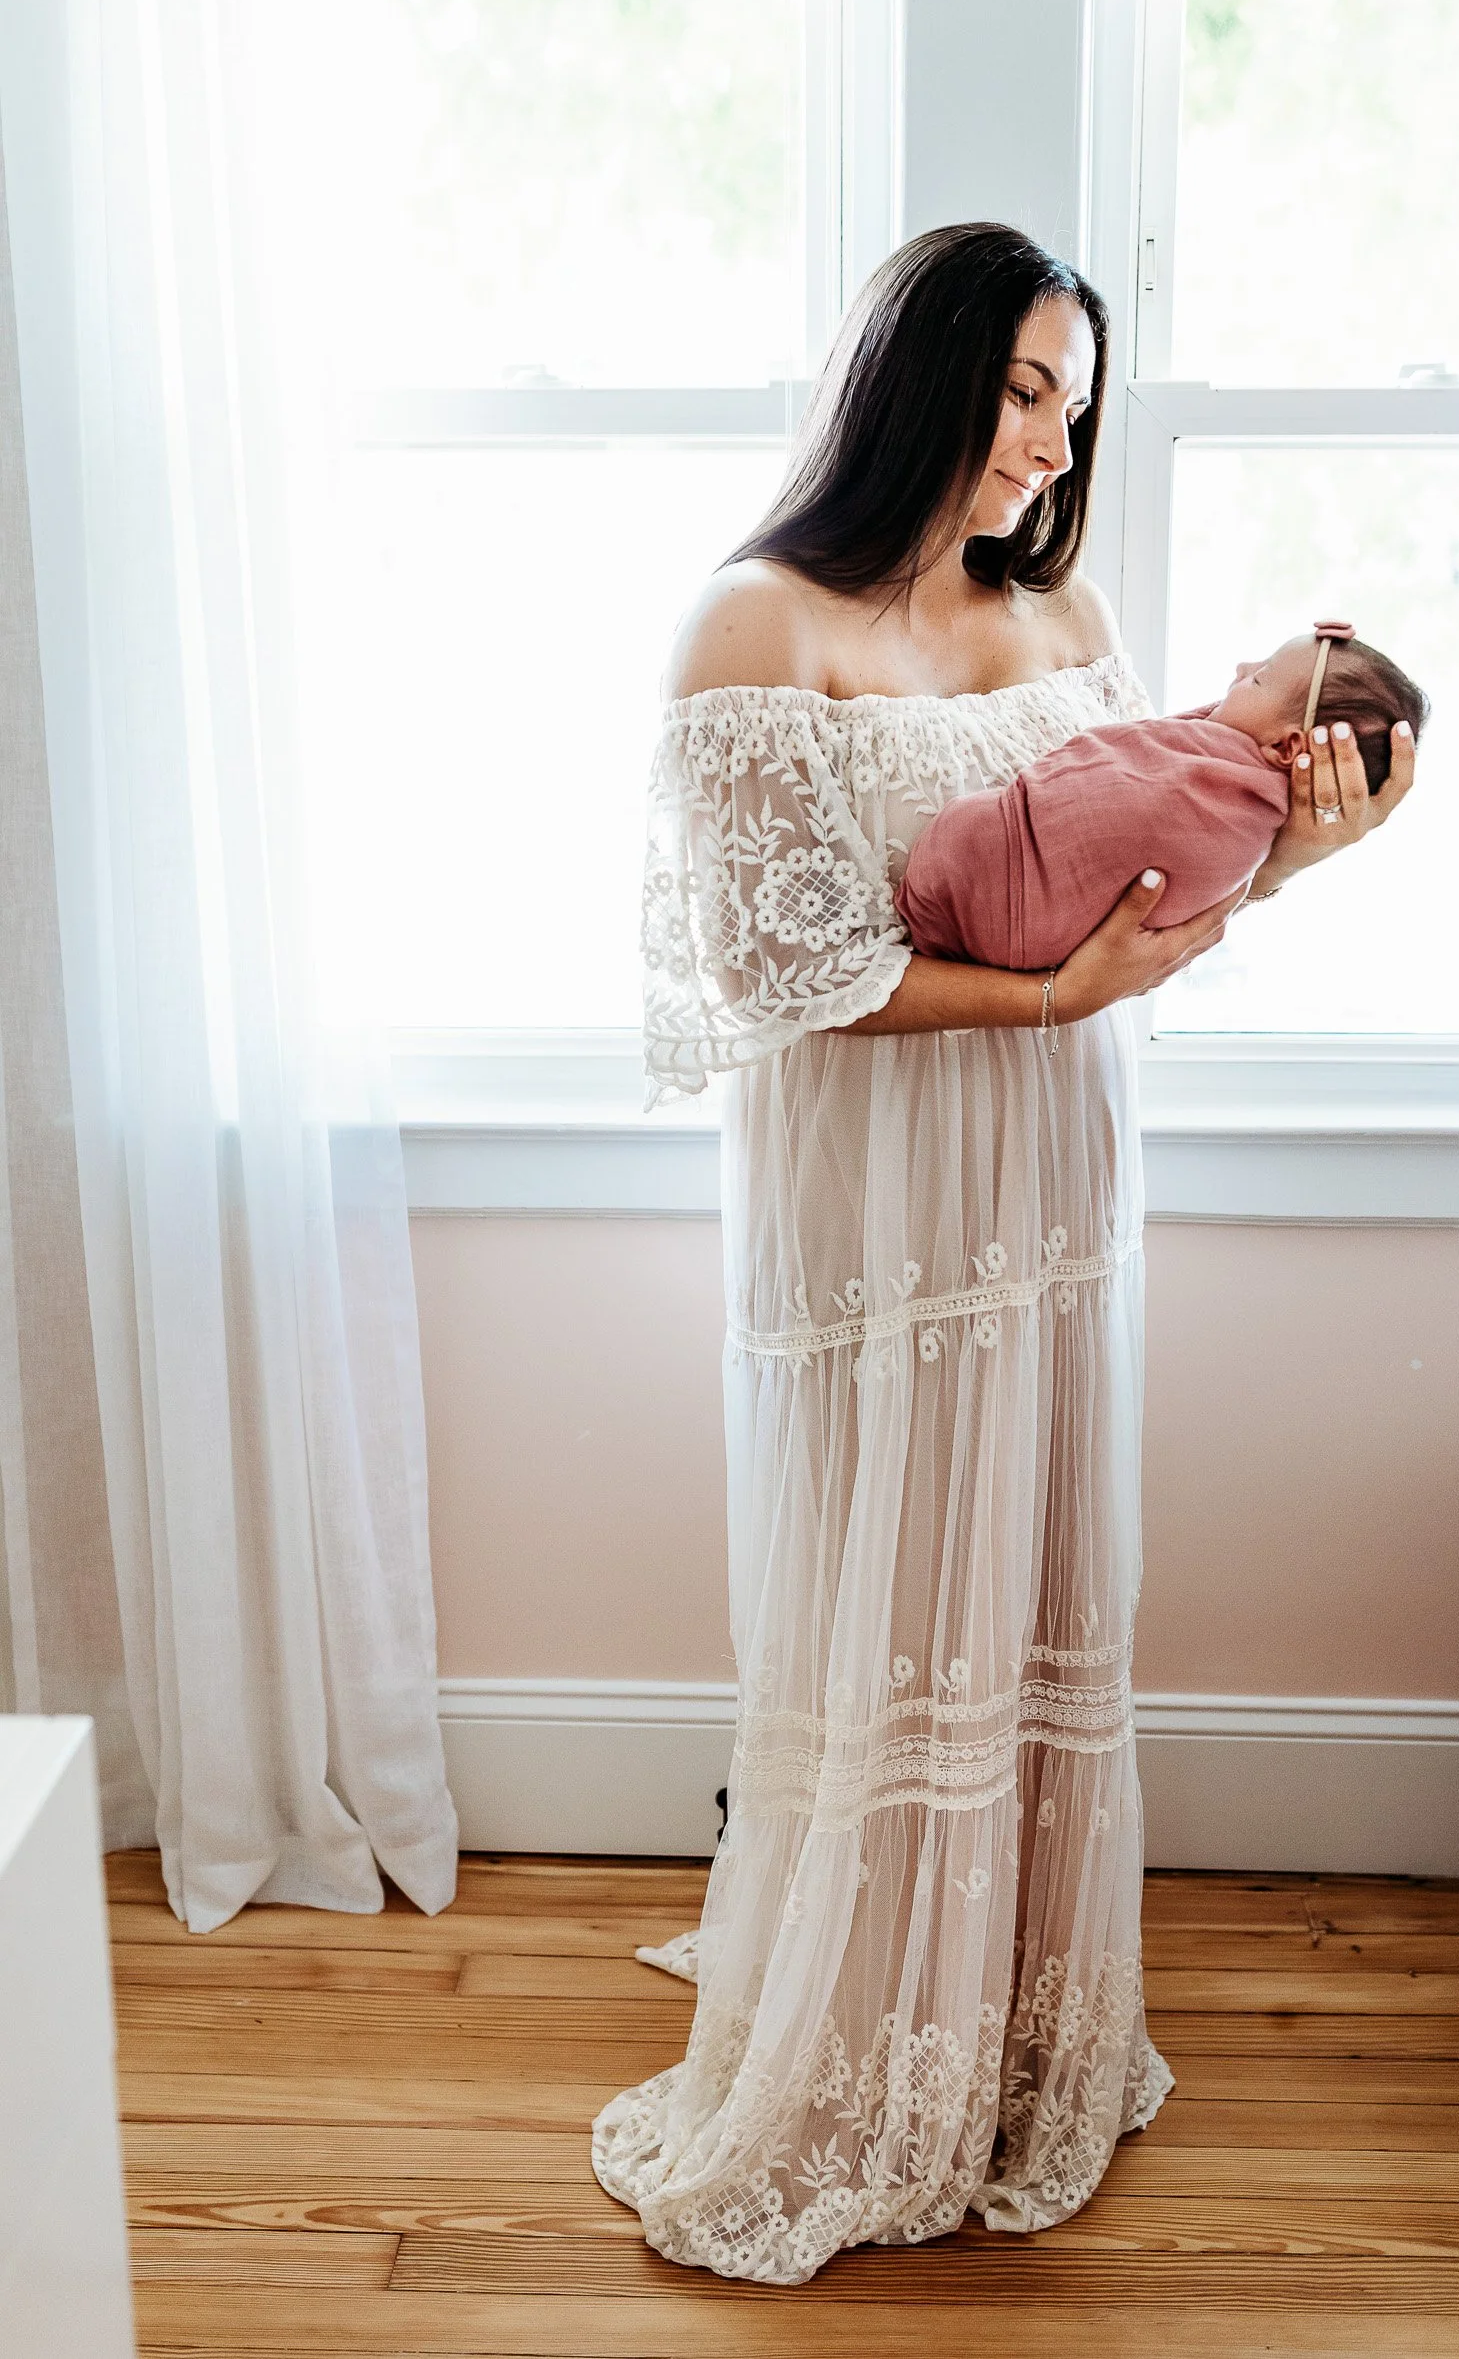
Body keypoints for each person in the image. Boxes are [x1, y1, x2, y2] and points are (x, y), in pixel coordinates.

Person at [598, 223, 1414, 2286]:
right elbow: (783, 973)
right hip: (880, 1183)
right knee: (889, 1580)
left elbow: (1133, 883)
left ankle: (1011, 2019)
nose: (1051, 447)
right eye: (1023, 390)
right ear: (914, 377)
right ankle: (862, 2033)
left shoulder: (1063, 607)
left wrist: (1296, 853)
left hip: (1051, 1167)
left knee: (1028, 1565)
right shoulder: (755, 622)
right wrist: (1050, 1000)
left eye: (1074, 405)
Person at [896, 625, 1427, 970]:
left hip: (982, 873)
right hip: (1020, 947)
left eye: (1259, 679)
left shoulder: (1220, 797)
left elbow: (1139, 748)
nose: (1240, 671)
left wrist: (1289, 858)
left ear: (1288, 748)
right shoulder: (1236, 806)